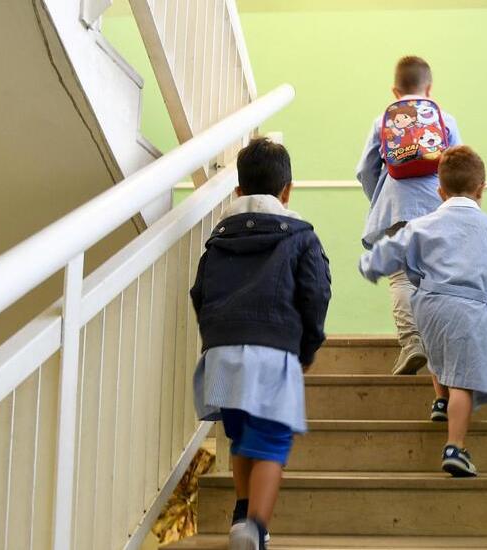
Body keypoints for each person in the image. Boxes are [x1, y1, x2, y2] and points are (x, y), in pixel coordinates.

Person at [359, 146, 487, 475]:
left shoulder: (424, 224)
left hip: (429, 304)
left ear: (440, 191)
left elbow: (399, 255)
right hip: (471, 309)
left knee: (438, 348)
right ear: (481, 189)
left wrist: (374, 265)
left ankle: (440, 400)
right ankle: (456, 447)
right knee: (463, 380)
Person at [190, 138, 332, 549]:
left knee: (240, 439)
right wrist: (308, 346)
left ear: (237, 192)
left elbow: (200, 292)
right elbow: (315, 292)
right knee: (270, 442)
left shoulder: (217, 241)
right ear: (287, 191)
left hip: (221, 354)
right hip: (272, 352)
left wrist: (216, 339)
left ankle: (240, 514)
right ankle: (254, 527)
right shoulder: (301, 236)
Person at [356, 55, 463, 375]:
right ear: (429, 87)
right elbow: (459, 163)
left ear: (394, 90)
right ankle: (440, 343)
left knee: (401, 276)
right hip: (437, 206)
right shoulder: (446, 118)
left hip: (397, 208)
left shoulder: (382, 120)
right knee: (436, 276)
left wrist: (380, 198)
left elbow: (364, 169)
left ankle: (411, 342)